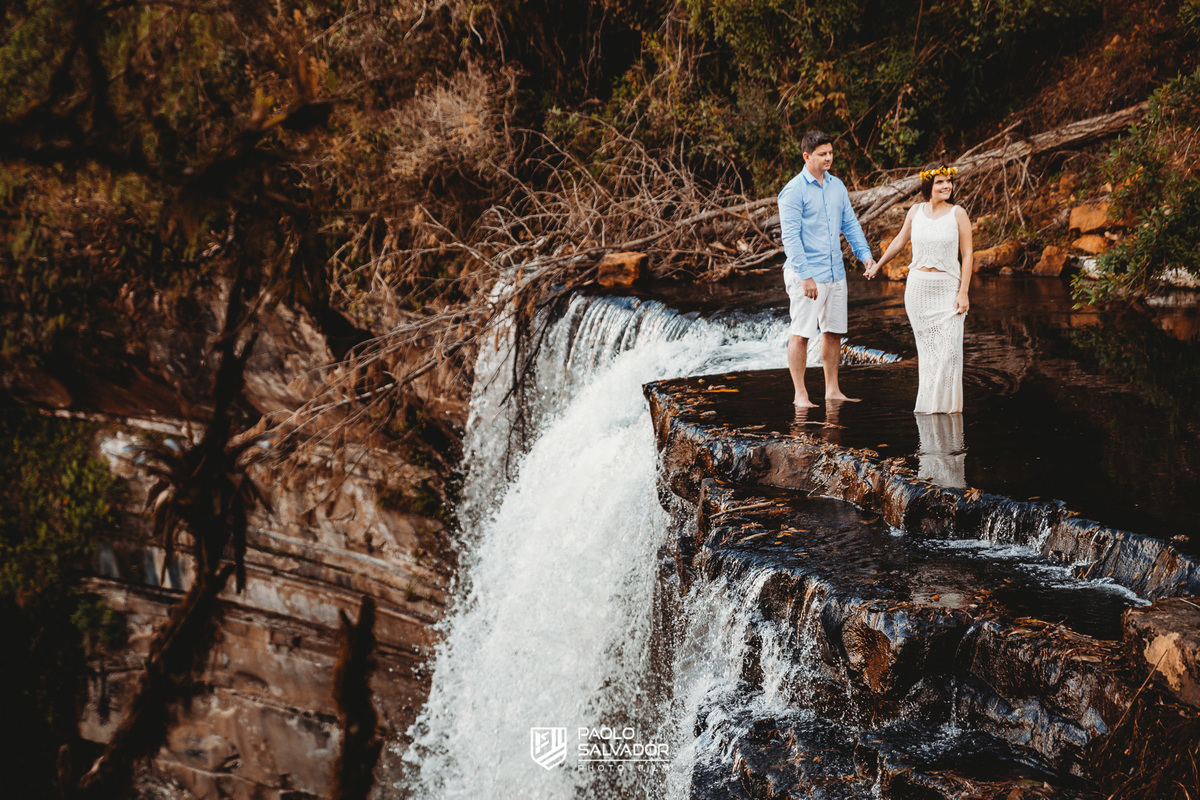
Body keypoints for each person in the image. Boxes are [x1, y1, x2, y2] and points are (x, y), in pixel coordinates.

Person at [778, 130, 877, 408]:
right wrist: (805, 276)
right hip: (807, 274)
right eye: (822, 154)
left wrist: (865, 256)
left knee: (833, 332)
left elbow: (851, 224)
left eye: (831, 153)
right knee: (801, 334)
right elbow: (791, 238)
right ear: (807, 156)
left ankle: (832, 390)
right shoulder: (793, 191)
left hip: (835, 273)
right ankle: (800, 394)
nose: (829, 158)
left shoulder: (837, 186)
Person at [867, 164, 973, 413]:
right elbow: (899, 241)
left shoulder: (958, 213)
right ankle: (928, 412)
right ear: (928, 185)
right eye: (940, 182)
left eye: (949, 181)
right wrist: (878, 265)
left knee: (948, 353)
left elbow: (968, 254)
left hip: (948, 291)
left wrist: (964, 291)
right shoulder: (915, 212)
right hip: (918, 292)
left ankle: (947, 412)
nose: (947, 186)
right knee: (928, 356)